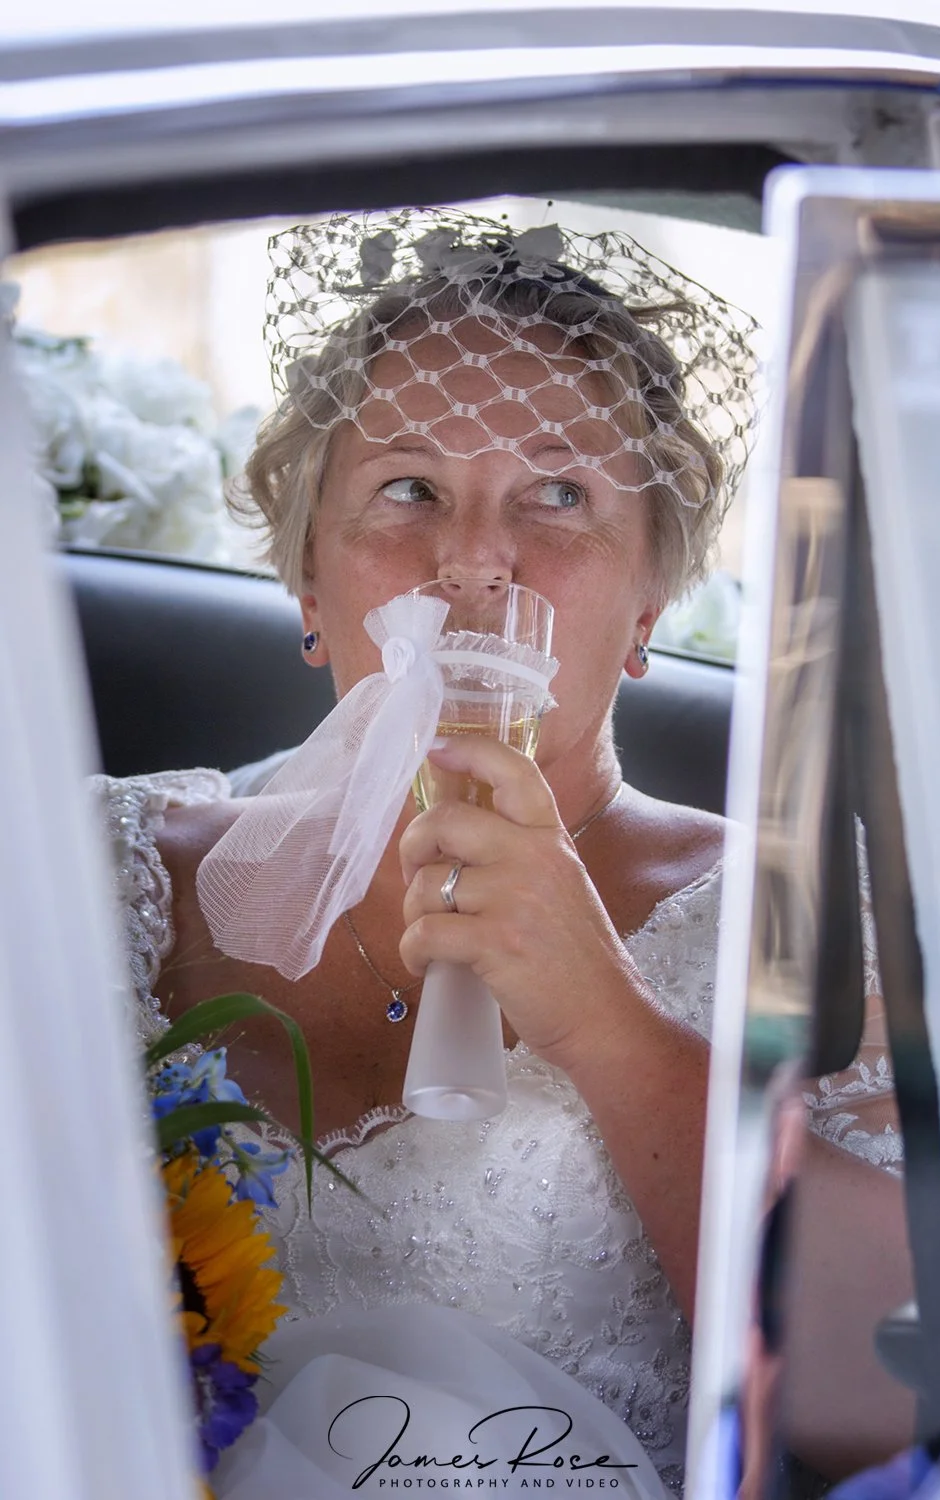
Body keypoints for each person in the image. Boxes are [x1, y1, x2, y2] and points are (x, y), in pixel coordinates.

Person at [92, 208, 896, 1495]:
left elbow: (895, 1400)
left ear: (646, 602)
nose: (473, 558)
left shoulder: (796, 922)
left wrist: (604, 1021)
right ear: (308, 585)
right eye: (407, 490)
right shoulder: (88, 873)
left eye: (559, 494)